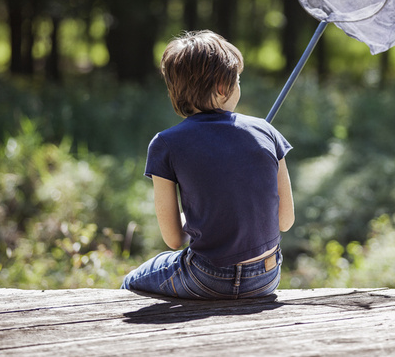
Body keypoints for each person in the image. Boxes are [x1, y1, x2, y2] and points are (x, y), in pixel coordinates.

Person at [121, 30, 294, 299]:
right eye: (238, 80)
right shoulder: (266, 132)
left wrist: (198, 219)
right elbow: (285, 221)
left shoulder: (165, 143)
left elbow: (174, 240)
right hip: (267, 277)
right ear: (224, 88)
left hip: (207, 277)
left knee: (131, 281)